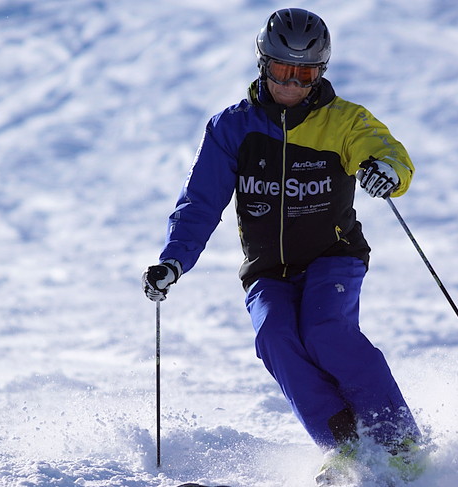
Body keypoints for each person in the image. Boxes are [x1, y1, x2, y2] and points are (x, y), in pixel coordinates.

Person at [142, 7, 425, 485]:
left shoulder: (343, 121)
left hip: (333, 256)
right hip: (268, 269)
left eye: (306, 73)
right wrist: (174, 260)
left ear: (320, 73)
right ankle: (347, 449)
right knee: (275, 338)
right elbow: (200, 201)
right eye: (282, 70)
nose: (292, 84)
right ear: (263, 64)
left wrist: (386, 171)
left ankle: (402, 446)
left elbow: (387, 153)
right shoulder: (231, 128)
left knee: (325, 332)